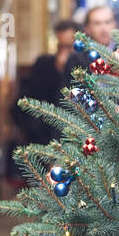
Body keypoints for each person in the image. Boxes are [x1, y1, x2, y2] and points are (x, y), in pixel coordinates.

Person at [13, 19, 80, 147]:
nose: (63, 54)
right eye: (60, 47)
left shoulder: (83, 66)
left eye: (68, 47)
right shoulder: (43, 65)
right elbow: (25, 103)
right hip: (42, 140)